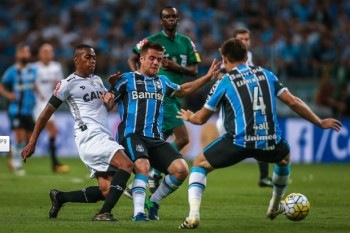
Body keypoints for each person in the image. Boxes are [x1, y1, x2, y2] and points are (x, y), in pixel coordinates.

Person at [177, 38, 342, 229]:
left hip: (238, 142)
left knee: (199, 164)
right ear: (247, 57)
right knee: (284, 158)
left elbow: (201, 119)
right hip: (269, 141)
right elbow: (293, 102)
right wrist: (319, 121)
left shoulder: (225, 81)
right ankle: (275, 204)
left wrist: (189, 116)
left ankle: (194, 215)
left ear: (224, 58)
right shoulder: (266, 74)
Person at [21, 44, 133, 221]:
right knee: (126, 165)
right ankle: (104, 214)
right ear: (76, 60)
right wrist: (32, 141)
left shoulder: (97, 80)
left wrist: (110, 92)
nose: (92, 61)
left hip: (102, 135)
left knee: (107, 190)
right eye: (87, 57)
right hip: (89, 135)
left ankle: (60, 197)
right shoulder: (67, 84)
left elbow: (108, 106)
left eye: (94, 57)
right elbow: (45, 114)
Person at [110, 41, 219, 221]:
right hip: (132, 135)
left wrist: (207, 77)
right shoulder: (126, 79)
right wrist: (111, 89)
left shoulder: (162, 82)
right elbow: (108, 104)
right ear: (142, 59)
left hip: (155, 139)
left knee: (181, 170)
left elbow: (183, 90)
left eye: (159, 60)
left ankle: (153, 201)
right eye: (152, 58)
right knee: (143, 166)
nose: (155, 63)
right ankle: (138, 213)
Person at [126, 6, 201, 195]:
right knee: (182, 137)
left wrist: (177, 67)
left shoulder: (186, 42)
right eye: (167, 16)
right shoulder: (151, 41)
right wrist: (137, 76)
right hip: (161, 95)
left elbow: (194, 70)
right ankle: (154, 172)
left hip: (176, 94)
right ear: (161, 21)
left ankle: (137, 181)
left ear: (178, 19)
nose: (171, 19)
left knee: (157, 140)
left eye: (174, 16)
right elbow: (133, 57)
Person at [216, 28, 273, 188]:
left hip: (245, 115)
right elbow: (221, 76)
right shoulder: (228, 59)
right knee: (256, 143)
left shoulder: (249, 57)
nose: (244, 42)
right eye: (241, 39)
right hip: (230, 118)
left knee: (260, 140)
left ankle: (263, 177)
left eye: (247, 39)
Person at [0, 43, 37, 176]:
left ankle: (9, 149)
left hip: (29, 111)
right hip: (16, 111)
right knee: (20, 138)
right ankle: (16, 163)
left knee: (29, 140)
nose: (24, 54)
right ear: (17, 55)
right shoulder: (12, 71)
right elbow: (1, 87)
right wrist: (9, 95)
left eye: (26, 52)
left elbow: (36, 85)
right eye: (22, 52)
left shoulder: (33, 70)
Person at [34, 43, 70, 173]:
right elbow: (31, 84)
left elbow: (61, 84)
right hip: (38, 104)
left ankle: (55, 164)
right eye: (45, 51)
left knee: (28, 136)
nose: (47, 53)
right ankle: (55, 164)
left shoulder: (56, 67)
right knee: (52, 132)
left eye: (50, 51)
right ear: (39, 53)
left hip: (50, 104)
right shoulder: (34, 68)